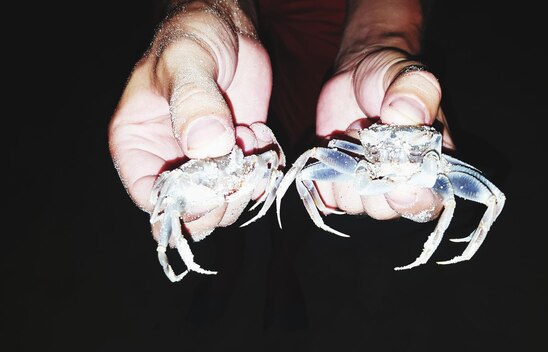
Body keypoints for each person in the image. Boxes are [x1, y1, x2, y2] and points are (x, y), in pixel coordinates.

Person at [108, 0, 455, 242]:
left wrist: (382, 42)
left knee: (299, 153)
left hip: (325, 23)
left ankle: (285, 257)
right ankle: (232, 260)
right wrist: (207, 11)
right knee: (250, 131)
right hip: (235, 48)